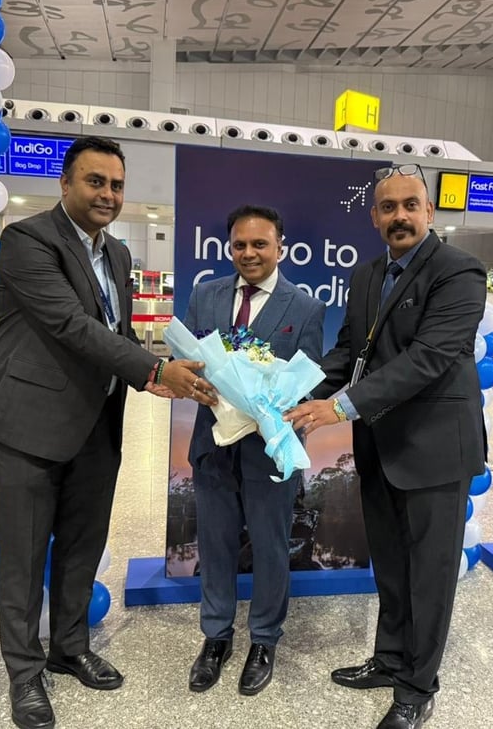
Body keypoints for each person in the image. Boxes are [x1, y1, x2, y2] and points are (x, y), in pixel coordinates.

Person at [0, 135, 216, 729]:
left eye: (116, 184)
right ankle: (24, 674)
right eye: (95, 181)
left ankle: (69, 646)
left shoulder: (117, 254)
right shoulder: (28, 240)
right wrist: (154, 370)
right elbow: (70, 324)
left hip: (98, 422)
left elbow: (117, 332)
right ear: (65, 183)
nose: (108, 194)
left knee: (82, 546)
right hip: (32, 423)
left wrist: (158, 373)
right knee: (24, 556)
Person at [285, 164, 487, 729]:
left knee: (430, 575)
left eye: (410, 204)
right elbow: (350, 353)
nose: (400, 215)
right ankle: (391, 659)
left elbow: (428, 358)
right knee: (392, 566)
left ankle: (418, 688)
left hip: (434, 451)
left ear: (429, 211)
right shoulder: (367, 275)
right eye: (389, 207)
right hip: (379, 444)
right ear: (374, 216)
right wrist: (293, 394)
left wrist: (339, 408)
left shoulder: (459, 270)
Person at [183, 205, 325, 697]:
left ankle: (264, 639)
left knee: (270, 548)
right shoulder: (205, 296)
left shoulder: (305, 308)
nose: (249, 253)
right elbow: (189, 361)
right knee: (216, 545)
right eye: (239, 245)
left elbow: (307, 382)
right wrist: (200, 385)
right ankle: (216, 636)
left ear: (280, 247)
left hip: (270, 451)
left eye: (259, 244)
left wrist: (267, 408)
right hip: (213, 445)